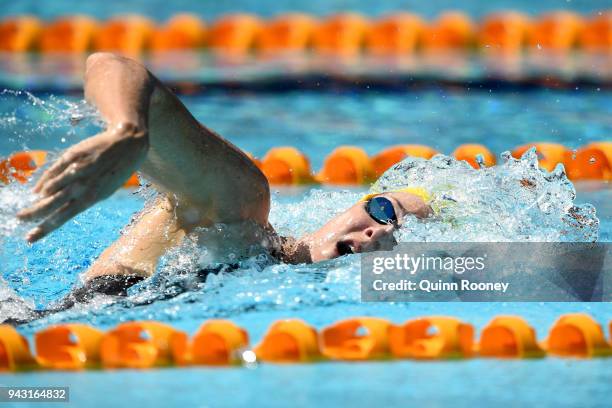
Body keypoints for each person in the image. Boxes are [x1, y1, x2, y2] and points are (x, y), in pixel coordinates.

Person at [17, 53, 432, 300]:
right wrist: (129, 130)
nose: (380, 234)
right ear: (351, 205)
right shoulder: (241, 209)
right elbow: (110, 64)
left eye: (397, 243)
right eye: (382, 211)